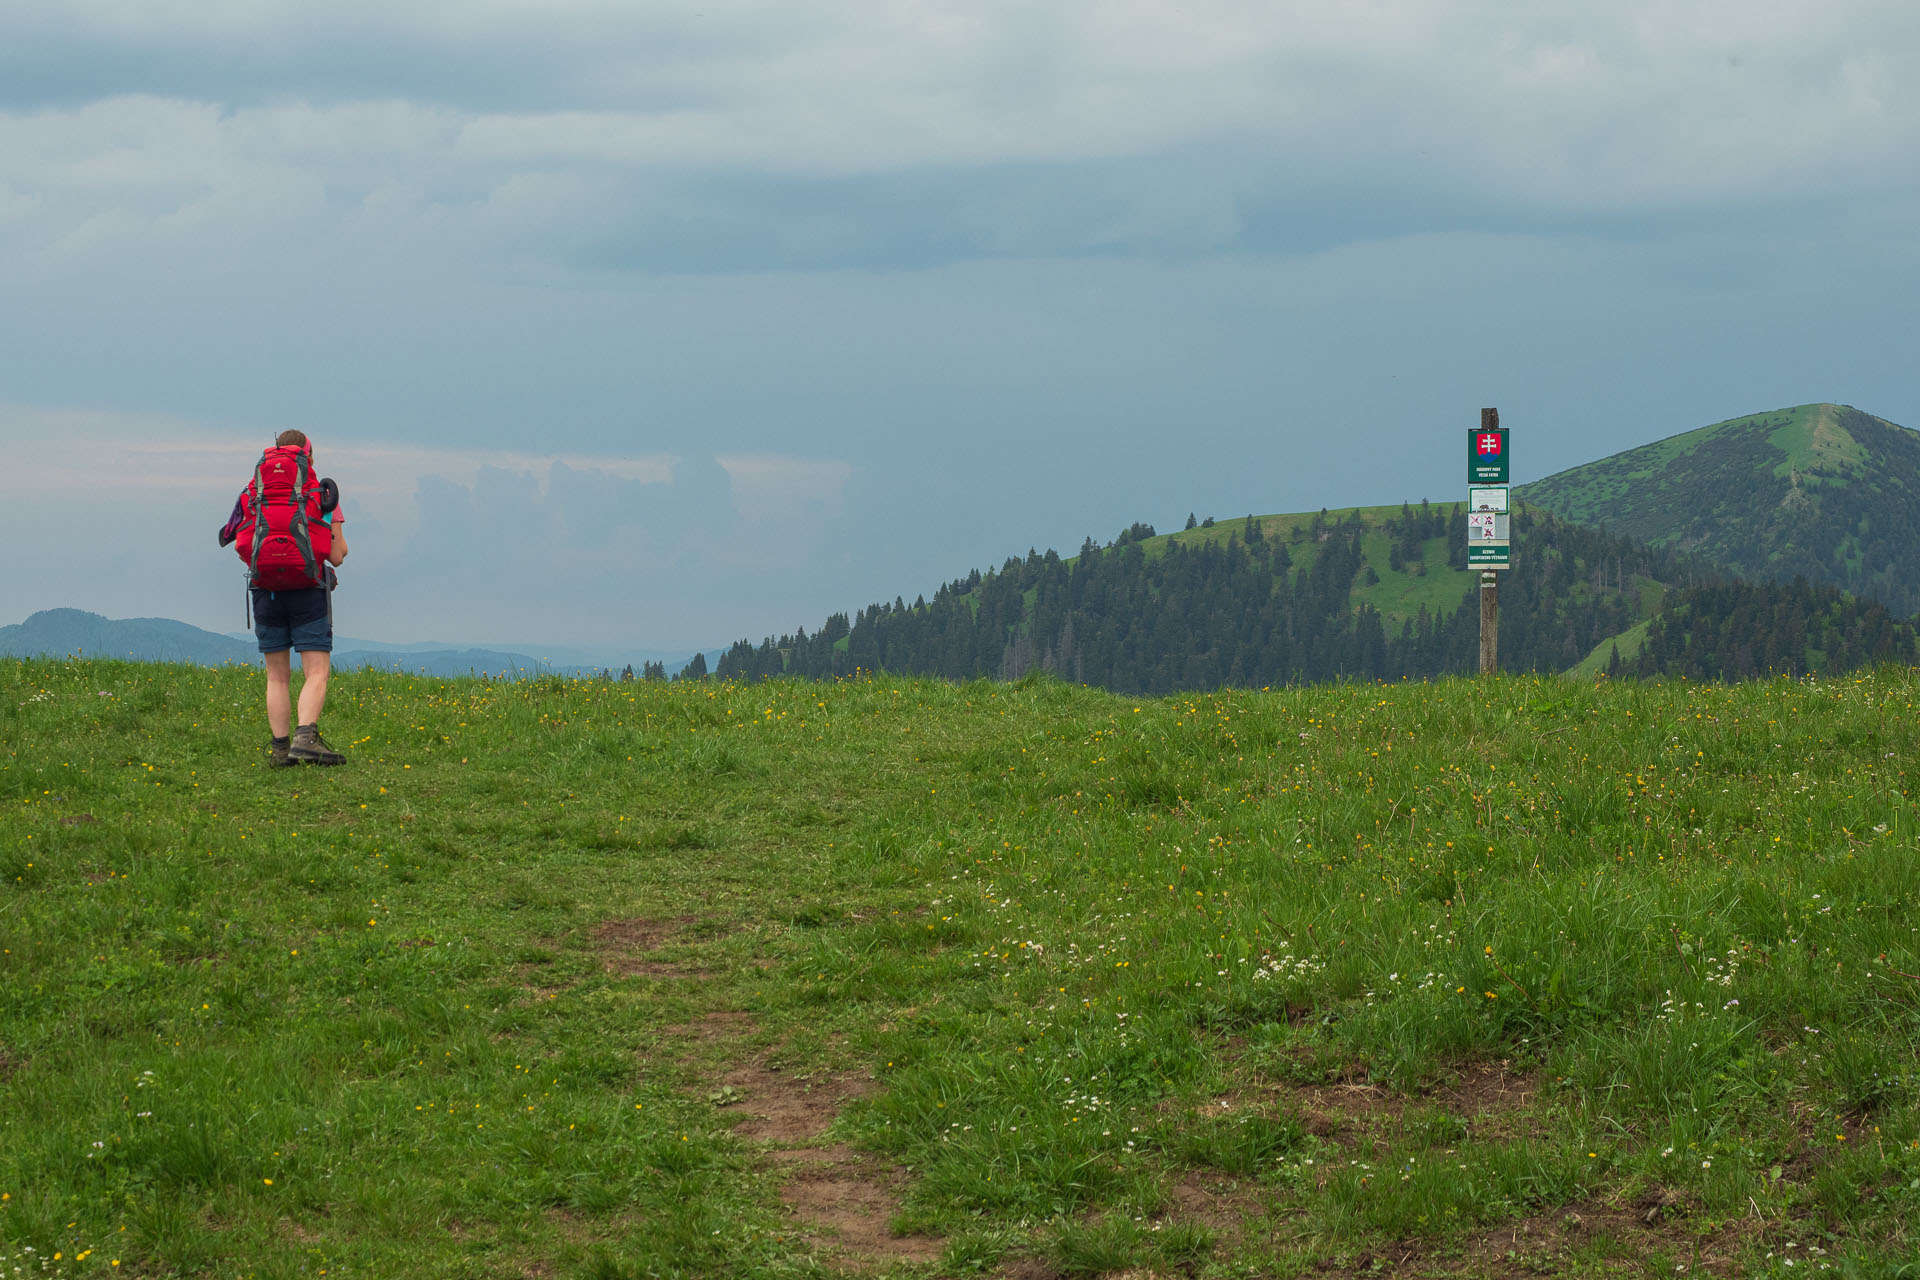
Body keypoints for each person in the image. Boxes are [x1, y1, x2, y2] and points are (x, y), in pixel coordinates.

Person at [219, 429, 350, 767]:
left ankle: (280, 750)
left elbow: (238, 545)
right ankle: (305, 738)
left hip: (266, 591)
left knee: (277, 676)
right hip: (308, 590)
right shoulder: (321, 495)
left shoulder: (253, 493)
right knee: (316, 671)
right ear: (309, 457)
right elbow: (337, 555)